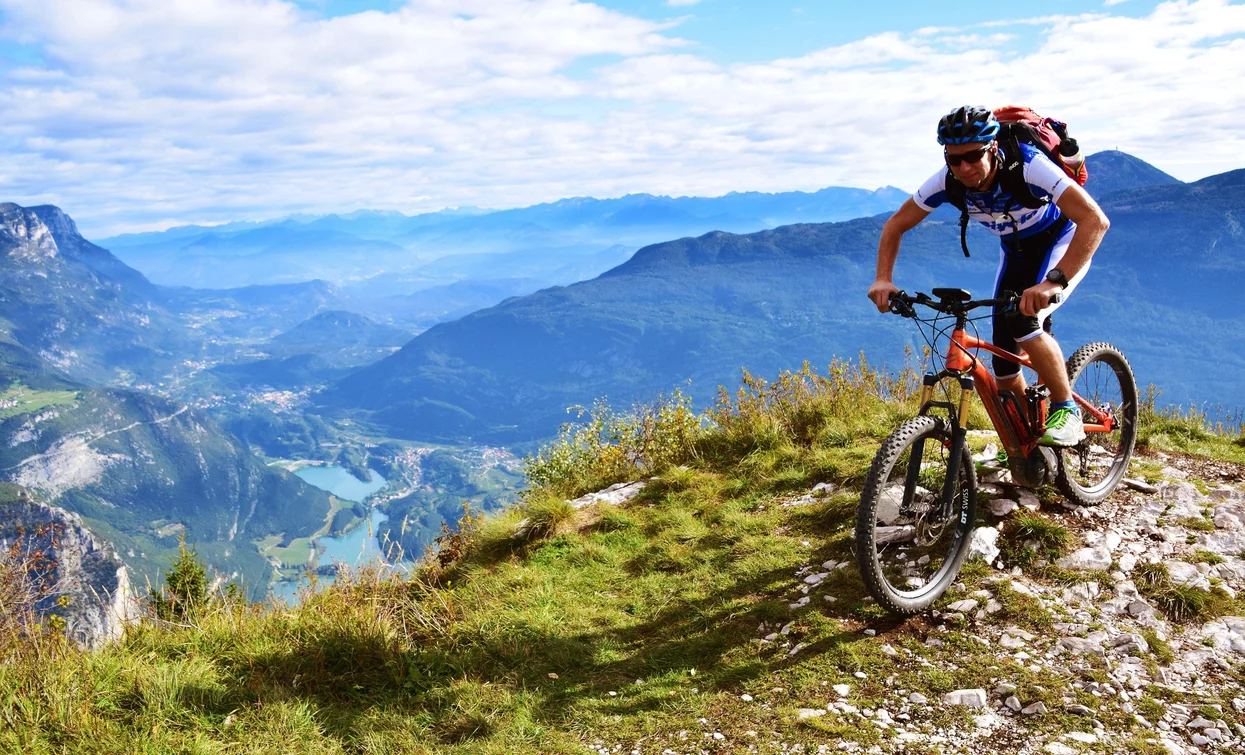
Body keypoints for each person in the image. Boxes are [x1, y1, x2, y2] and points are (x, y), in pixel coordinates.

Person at [867, 105, 1110, 447]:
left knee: (1025, 321)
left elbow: (1095, 221)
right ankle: (1026, 446)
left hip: (1063, 240)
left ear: (992, 148)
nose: (964, 167)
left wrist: (1053, 281)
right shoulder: (947, 181)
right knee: (1004, 371)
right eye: (954, 159)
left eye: (973, 156)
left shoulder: (1028, 166)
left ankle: (1066, 408)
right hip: (1017, 250)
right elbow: (896, 225)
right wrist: (883, 278)